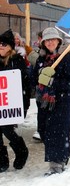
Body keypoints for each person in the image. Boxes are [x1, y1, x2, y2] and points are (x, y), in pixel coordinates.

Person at [33, 27, 70, 175]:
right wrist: (39, 75)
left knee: (59, 133)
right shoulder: (41, 59)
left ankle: (57, 165)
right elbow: (35, 79)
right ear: (43, 42)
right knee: (45, 133)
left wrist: (52, 82)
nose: (50, 42)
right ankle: (60, 159)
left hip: (61, 103)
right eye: (47, 40)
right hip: (44, 103)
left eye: (53, 39)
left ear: (58, 41)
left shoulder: (66, 58)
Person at [0, 29, 30, 172]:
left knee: (8, 131)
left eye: (4, 44)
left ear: (11, 46)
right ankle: (1, 160)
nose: (1, 46)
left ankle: (21, 151)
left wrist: (24, 105)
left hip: (11, 104)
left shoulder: (17, 61)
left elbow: (24, 84)